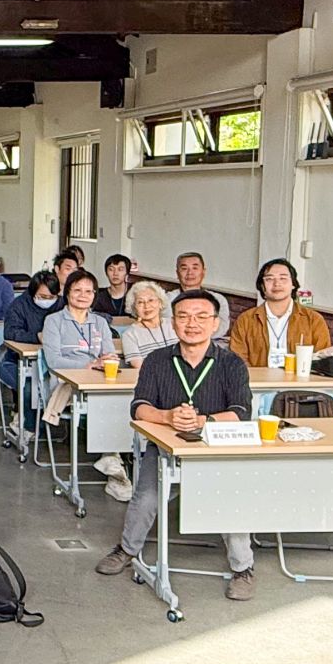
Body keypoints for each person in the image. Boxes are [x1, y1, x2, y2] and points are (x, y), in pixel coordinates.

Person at [95, 290, 256, 600]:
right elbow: (139, 407)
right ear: (173, 323)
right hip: (166, 446)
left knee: (230, 496)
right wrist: (167, 416)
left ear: (215, 324)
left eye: (200, 317)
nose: (191, 324)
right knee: (146, 496)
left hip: (216, 448)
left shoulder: (231, 363)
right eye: (183, 317)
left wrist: (203, 421)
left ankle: (243, 568)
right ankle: (127, 550)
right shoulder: (157, 360)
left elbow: (241, 412)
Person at [230, 258, 330, 369]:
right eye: (269, 279)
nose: (277, 284)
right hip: (257, 384)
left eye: (283, 278)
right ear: (262, 286)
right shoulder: (246, 320)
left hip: (300, 384)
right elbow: (237, 360)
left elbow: (322, 359)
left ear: (293, 284)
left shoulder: (313, 320)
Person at [0, 271, 61, 441]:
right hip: (15, 361)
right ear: (33, 293)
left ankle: (43, 424)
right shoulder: (18, 306)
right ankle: (29, 427)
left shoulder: (61, 304)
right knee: (30, 387)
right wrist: (36, 336)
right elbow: (10, 333)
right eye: (43, 296)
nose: (47, 300)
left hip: (50, 364)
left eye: (51, 297)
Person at [41, 270, 119, 385]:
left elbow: (109, 355)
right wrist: (88, 365)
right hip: (66, 381)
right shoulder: (53, 321)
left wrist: (109, 360)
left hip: (97, 380)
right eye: (77, 290)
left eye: (88, 291)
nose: (83, 295)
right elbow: (54, 361)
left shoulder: (100, 322)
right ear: (67, 293)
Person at [168, 252, 231, 342]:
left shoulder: (219, 299)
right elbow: (168, 329)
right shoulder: (167, 299)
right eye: (184, 268)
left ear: (203, 272)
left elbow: (221, 329)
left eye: (195, 268)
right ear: (177, 273)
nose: (190, 273)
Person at [120, 281, 177, 368]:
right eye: (140, 302)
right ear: (134, 308)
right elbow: (139, 366)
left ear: (160, 303)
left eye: (151, 300)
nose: (146, 306)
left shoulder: (174, 324)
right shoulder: (129, 335)